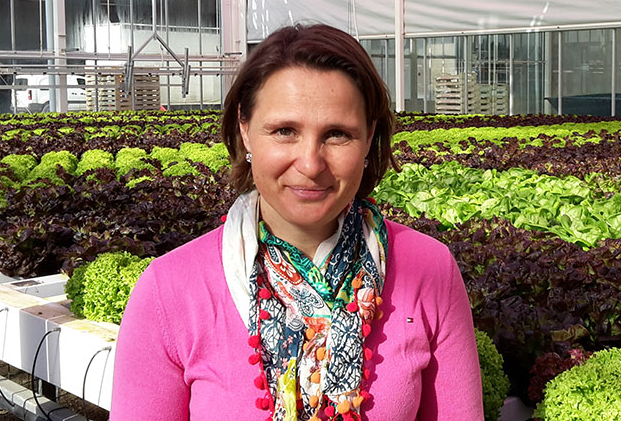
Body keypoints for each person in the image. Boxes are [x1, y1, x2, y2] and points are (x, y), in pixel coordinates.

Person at [111, 24, 484, 420]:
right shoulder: (170, 290)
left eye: (338, 134)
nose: (310, 163)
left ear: (369, 137)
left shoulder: (430, 270)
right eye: (285, 131)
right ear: (246, 130)